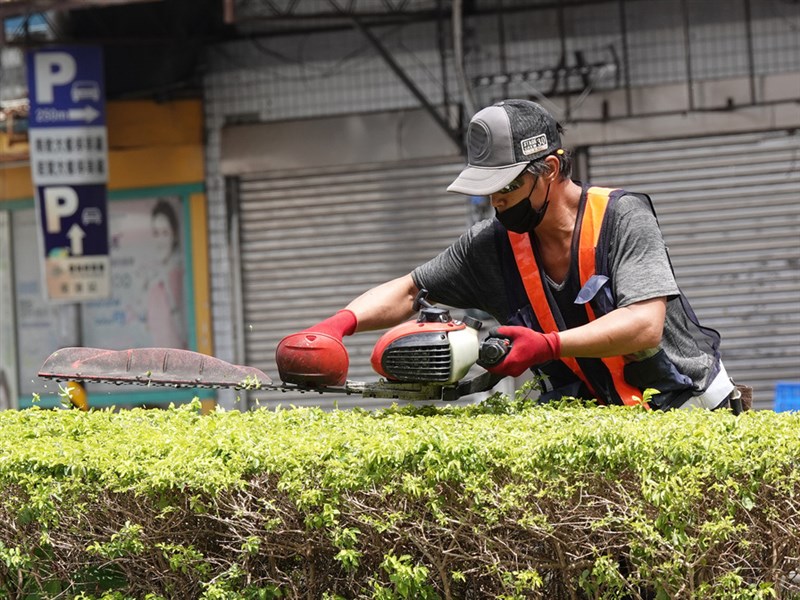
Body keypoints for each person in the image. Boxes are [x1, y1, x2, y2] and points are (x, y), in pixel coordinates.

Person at [278, 99, 742, 411]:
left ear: (552, 169)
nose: (497, 202)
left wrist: (547, 345)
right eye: (490, 191)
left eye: (508, 186)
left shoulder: (622, 218)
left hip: (690, 410)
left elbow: (645, 324)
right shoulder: (491, 244)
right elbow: (410, 289)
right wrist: (335, 326)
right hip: (604, 426)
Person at [146, 199, 187, 349]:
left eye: (165, 233)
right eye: (156, 233)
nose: (160, 240)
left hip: (176, 363)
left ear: (174, 235)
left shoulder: (174, 275)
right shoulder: (156, 279)